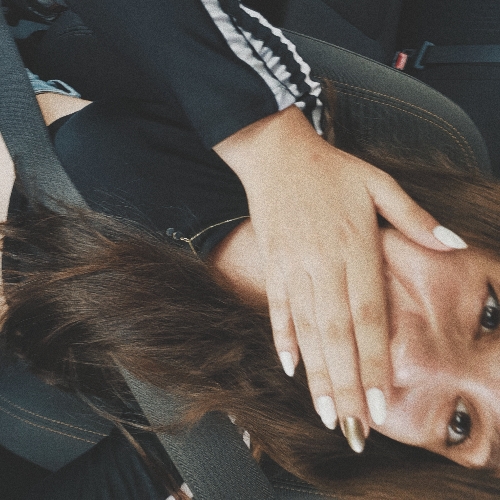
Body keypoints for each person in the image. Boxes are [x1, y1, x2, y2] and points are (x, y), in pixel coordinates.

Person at [2, 71, 500, 499]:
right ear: (482, 235)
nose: (405, 358)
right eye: (490, 314)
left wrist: (209, 453)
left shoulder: (238, 443)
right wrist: (269, 138)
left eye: (460, 423)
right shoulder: (372, 131)